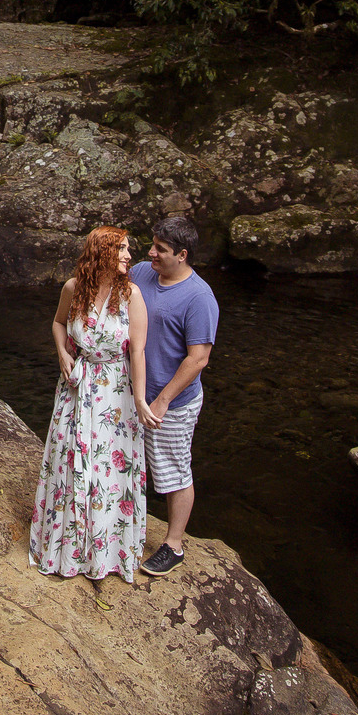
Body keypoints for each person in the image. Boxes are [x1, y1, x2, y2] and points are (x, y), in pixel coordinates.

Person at [29, 226, 158, 584]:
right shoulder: (73, 289)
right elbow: (58, 323)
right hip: (76, 386)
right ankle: (69, 549)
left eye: (128, 249)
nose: (129, 256)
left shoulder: (130, 294)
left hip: (115, 392)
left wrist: (139, 400)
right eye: (122, 249)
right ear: (102, 253)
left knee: (108, 471)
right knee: (69, 461)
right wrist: (62, 353)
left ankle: (108, 554)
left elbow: (138, 352)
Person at [130, 215, 219, 579]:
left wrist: (163, 400)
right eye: (152, 245)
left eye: (161, 249)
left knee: (172, 470)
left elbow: (198, 358)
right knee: (129, 462)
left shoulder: (199, 297)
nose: (151, 253)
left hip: (172, 401)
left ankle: (174, 545)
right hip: (132, 392)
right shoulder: (141, 273)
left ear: (182, 255)